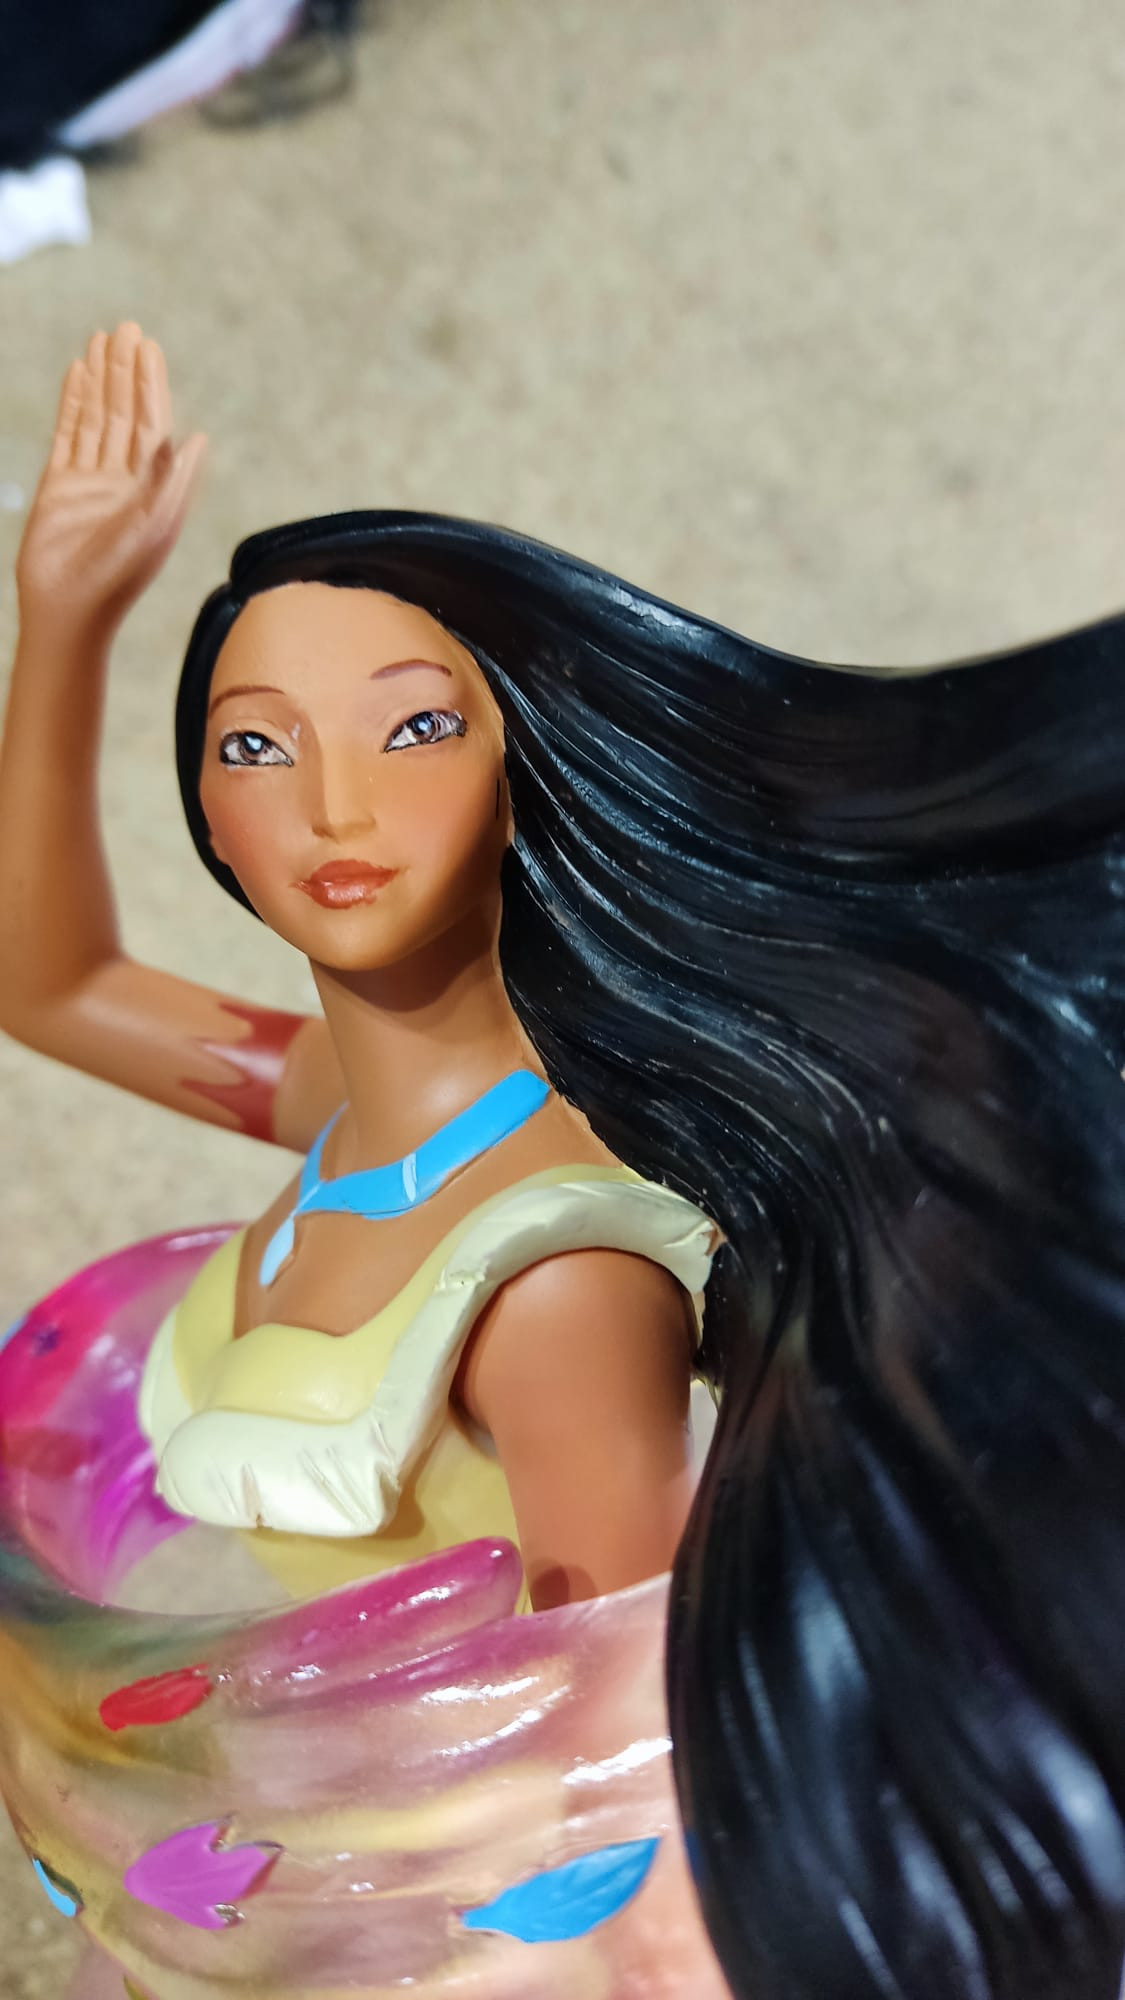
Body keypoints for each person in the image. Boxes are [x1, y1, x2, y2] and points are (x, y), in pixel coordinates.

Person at [2, 323, 1125, 2000]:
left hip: (469, 1906)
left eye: (412, 730)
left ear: (525, 769)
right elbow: (53, 985)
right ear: (210, 821)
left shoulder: (556, 1285)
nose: (331, 807)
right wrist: (65, 619)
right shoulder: (340, 1101)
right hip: (309, 1839)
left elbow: (618, 1733)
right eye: (255, 747)